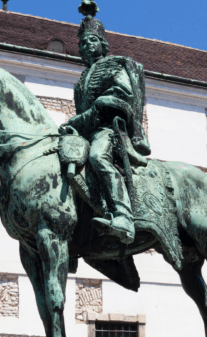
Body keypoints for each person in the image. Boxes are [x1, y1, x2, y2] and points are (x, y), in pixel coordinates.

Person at [64, 1, 151, 245]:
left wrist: (88, 115)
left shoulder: (115, 65)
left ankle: (123, 216)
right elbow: (82, 112)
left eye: (91, 41)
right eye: (82, 43)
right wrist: (74, 126)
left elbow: (122, 95)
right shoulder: (81, 79)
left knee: (97, 157)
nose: (86, 45)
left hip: (108, 129)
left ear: (103, 44)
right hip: (87, 132)